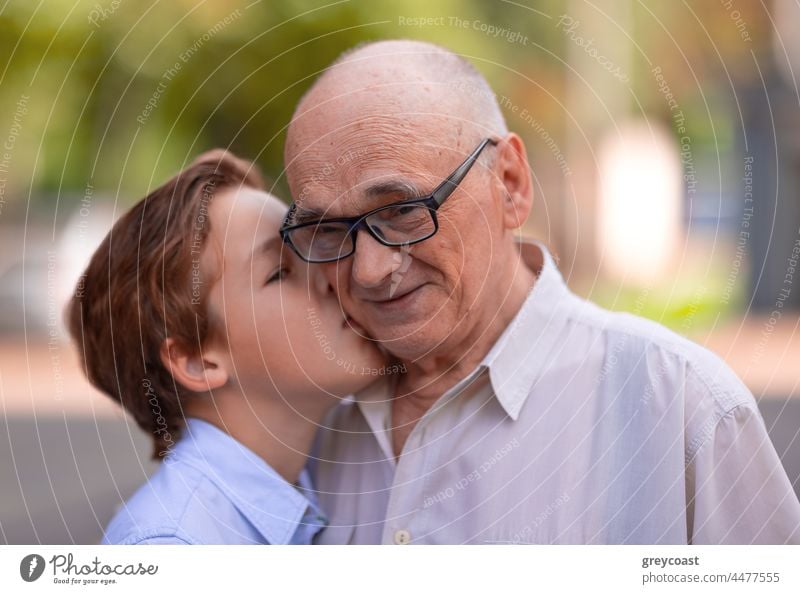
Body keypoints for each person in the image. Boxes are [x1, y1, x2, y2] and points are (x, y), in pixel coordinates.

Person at [281, 39, 800, 544]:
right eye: (327, 230)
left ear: (509, 183)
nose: (368, 270)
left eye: (401, 210)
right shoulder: (309, 421)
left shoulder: (682, 408)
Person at [66, 149, 385, 544]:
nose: (331, 271)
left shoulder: (326, 474)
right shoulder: (173, 547)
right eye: (279, 272)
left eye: (311, 245)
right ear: (197, 361)